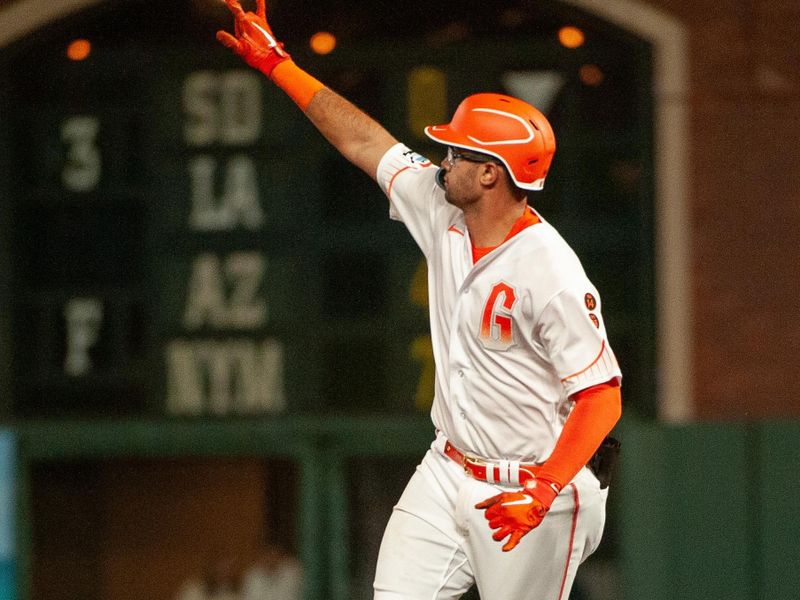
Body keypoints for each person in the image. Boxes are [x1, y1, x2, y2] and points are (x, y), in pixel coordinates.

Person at [217, 2, 623, 598]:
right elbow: (365, 142)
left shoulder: (552, 271)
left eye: (460, 153)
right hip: (448, 466)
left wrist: (546, 487)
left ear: (493, 175)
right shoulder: (441, 207)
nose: (444, 158)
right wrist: (281, 65)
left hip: (535, 485)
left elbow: (602, 397)